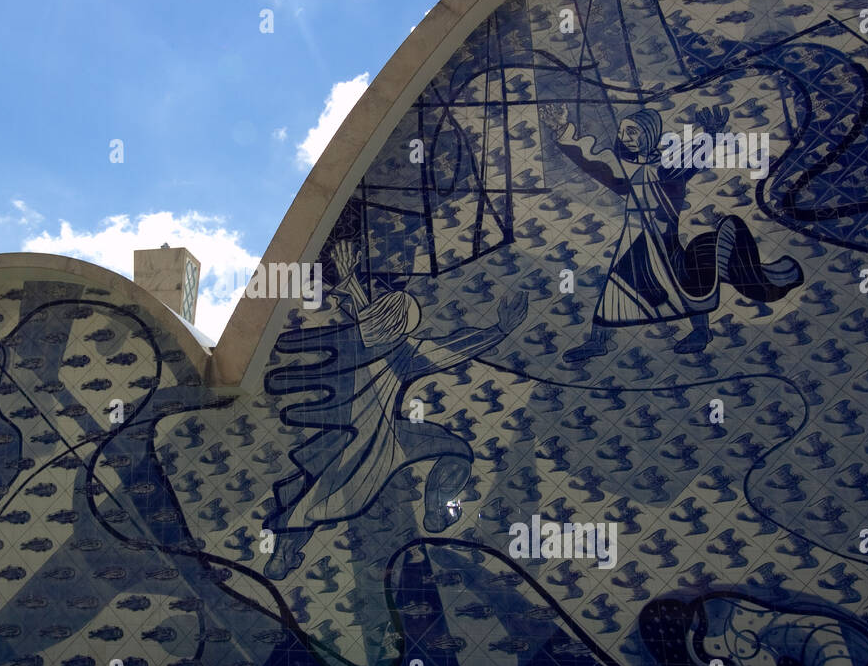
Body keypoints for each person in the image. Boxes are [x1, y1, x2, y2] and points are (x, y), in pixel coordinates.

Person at [263, 239, 529, 580]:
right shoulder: (405, 353)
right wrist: (500, 329)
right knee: (324, 495)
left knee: (318, 492)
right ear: (403, 328)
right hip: (372, 442)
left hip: (380, 431)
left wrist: (351, 283)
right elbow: (453, 348)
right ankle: (433, 508)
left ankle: (285, 553)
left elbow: (370, 320)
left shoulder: (362, 338)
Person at [537, 103, 803, 363]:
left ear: (650, 135)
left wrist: (711, 135)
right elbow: (590, 160)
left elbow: (692, 158)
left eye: (633, 132)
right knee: (618, 286)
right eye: (622, 132)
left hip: (663, 239)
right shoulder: (621, 167)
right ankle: (598, 341)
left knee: (685, 284)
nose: (624, 138)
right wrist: (561, 129)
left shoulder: (668, 165)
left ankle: (700, 331)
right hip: (636, 238)